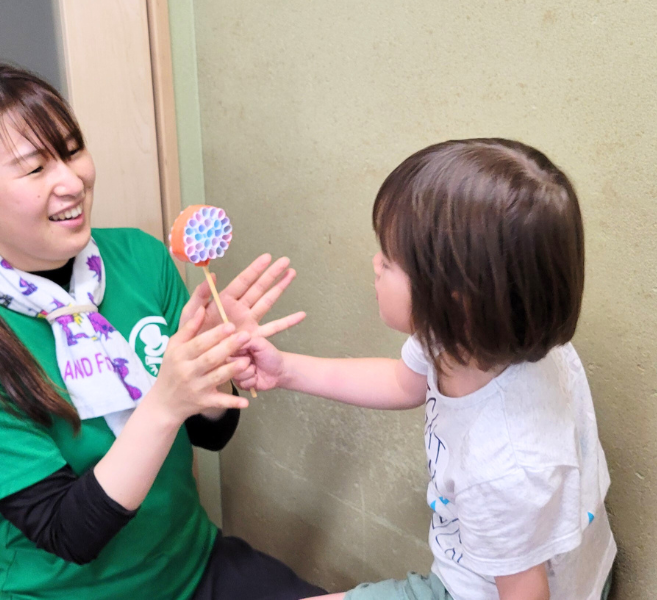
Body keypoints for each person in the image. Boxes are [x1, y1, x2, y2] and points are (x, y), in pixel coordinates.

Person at [0, 62, 326, 600]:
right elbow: (70, 533)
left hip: (194, 564)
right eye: (34, 168)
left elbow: (211, 434)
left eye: (72, 151)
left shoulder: (137, 257)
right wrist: (165, 401)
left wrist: (216, 360)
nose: (72, 182)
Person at [234, 139, 616, 600]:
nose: (375, 264)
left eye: (389, 260)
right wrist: (284, 370)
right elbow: (403, 382)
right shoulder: (483, 334)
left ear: (455, 298)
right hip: (546, 563)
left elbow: (527, 594)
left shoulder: (505, 465)